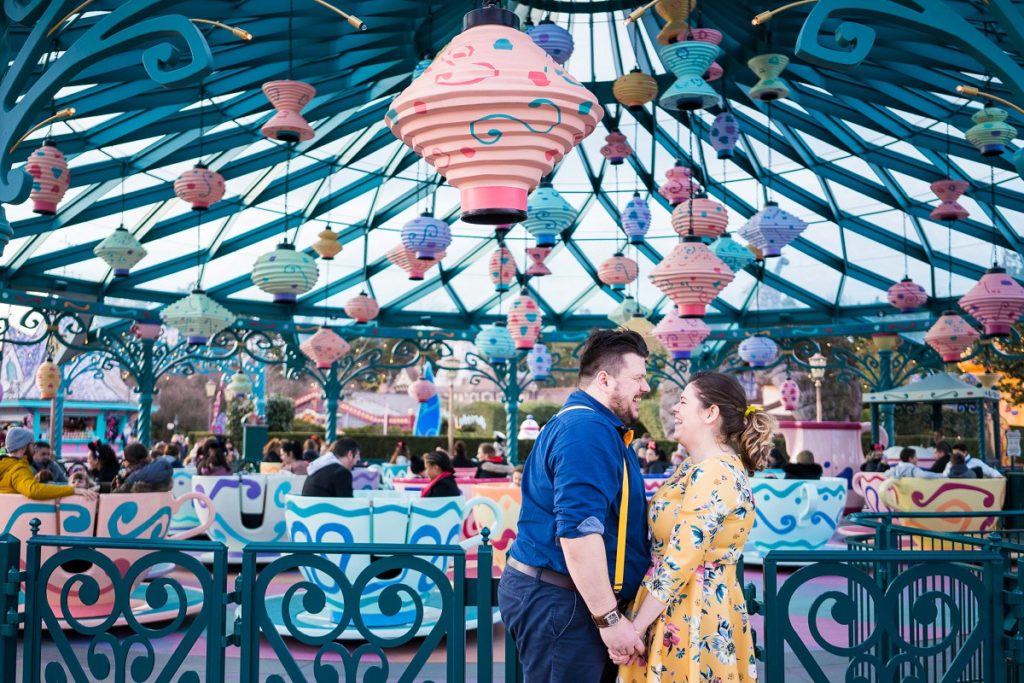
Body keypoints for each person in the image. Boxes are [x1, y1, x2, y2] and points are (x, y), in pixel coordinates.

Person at [499, 329, 651, 682]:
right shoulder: (586, 429)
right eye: (638, 378)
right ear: (604, 380)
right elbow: (578, 531)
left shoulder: (593, 425)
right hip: (563, 602)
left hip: (565, 598)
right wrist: (609, 619)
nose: (645, 388)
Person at [616, 372, 774, 682]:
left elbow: (681, 559)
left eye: (684, 402)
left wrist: (635, 629)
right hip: (677, 607)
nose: (675, 409)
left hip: (691, 611)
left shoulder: (715, 471)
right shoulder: (694, 467)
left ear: (710, 413)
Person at [0, 428, 96, 501]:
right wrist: (73, 490)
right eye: (32, 445)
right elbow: (33, 490)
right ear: (24, 447)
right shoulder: (18, 468)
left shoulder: (5, 464)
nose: (34, 449)